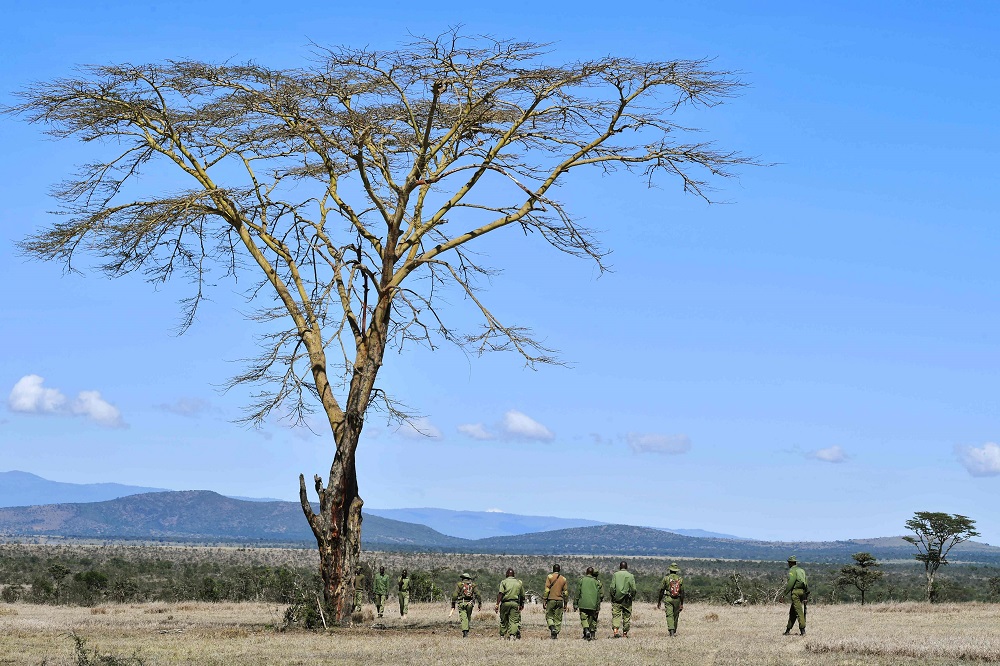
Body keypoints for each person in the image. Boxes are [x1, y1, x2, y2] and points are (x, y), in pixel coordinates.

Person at [495, 568, 525, 640]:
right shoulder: (519, 583)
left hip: (505, 603)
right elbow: (522, 596)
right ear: (513, 575)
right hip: (515, 603)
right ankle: (512, 636)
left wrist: (497, 604)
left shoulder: (504, 582)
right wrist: (521, 605)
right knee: (514, 621)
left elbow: (500, 593)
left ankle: (502, 636)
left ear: (507, 574)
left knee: (503, 620)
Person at [573, 566, 603, 641]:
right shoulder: (596, 582)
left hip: (583, 603)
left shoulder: (582, 580)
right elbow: (599, 595)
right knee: (591, 619)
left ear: (586, 572)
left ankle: (586, 630)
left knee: (583, 618)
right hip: (593, 604)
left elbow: (577, 593)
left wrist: (575, 604)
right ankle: (589, 632)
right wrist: (597, 605)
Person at [782, 556, 809, 636]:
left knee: (798, 611)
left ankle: (802, 631)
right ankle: (787, 630)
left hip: (796, 592)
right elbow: (806, 582)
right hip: (802, 592)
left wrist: (784, 594)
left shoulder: (792, 570)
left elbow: (791, 583)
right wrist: (805, 595)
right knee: (793, 612)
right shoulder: (801, 570)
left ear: (790, 563)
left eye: (789, 563)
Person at [610, 560, 636, 638]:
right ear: (626, 567)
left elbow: (612, 587)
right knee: (627, 616)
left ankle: (615, 631)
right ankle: (625, 633)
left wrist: (613, 596)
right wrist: (632, 596)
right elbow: (633, 589)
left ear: (620, 567)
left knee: (616, 615)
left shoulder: (615, 575)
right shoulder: (630, 576)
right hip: (627, 599)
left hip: (617, 599)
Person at [451, 572, 482, 637]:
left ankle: (465, 633)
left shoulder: (459, 585)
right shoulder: (473, 585)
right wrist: (479, 603)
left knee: (463, 618)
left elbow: (455, 595)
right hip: (470, 604)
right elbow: (478, 594)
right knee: (468, 617)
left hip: (461, 603)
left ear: (462, 578)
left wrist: (453, 604)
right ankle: (467, 630)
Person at [657, 562, 684, 636]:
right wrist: (682, 603)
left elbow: (662, 590)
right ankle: (674, 630)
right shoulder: (680, 579)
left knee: (669, 615)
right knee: (676, 615)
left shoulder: (666, 578)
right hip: (677, 599)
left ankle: (671, 631)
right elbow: (682, 592)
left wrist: (659, 601)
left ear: (670, 570)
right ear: (676, 570)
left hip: (668, 598)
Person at [543, 563, 569, 639]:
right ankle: (555, 634)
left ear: (553, 569)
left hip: (551, 600)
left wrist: (544, 600)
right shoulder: (563, 579)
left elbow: (547, 590)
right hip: (560, 601)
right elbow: (566, 592)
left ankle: (552, 628)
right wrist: (565, 603)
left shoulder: (550, 577)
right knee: (558, 618)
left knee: (549, 616)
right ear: (559, 570)